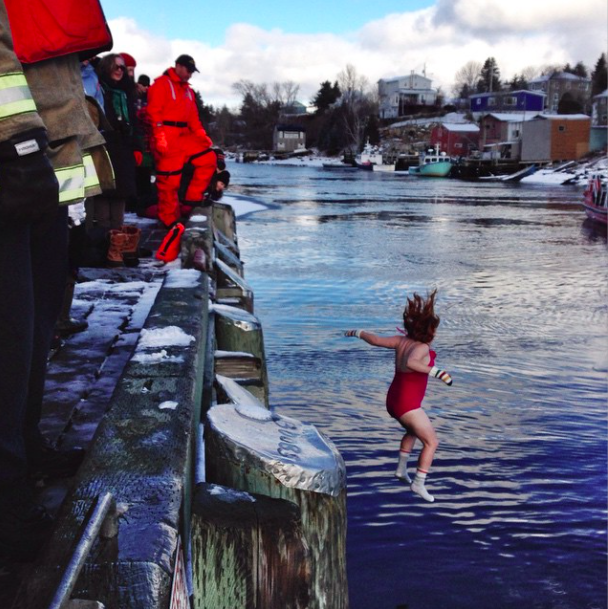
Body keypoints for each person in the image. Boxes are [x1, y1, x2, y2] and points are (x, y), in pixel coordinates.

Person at [0, 0, 109, 561]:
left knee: (36, 321)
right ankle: (7, 493)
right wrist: (17, 144)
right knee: (10, 335)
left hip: (45, 150)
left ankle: (25, 447)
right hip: (15, 154)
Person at [344, 290, 453, 503]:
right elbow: (412, 363)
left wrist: (357, 332)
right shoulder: (421, 348)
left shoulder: (401, 341)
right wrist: (438, 373)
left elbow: (375, 340)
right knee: (431, 442)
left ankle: (401, 470)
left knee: (412, 431)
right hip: (408, 404)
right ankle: (419, 483)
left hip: (393, 400)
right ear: (428, 331)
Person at [146, 54, 216, 227]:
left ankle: (192, 200)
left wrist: (201, 135)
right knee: (169, 181)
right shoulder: (161, 85)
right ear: (177, 66)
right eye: (188, 70)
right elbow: (154, 113)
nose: (190, 74)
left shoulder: (188, 91)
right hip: (167, 135)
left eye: (192, 72)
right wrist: (160, 137)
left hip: (184, 136)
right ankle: (169, 220)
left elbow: (193, 119)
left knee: (208, 158)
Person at [89, 53, 141, 265]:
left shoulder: (126, 93)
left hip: (124, 147)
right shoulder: (99, 89)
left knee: (121, 195)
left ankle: (119, 244)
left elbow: (134, 122)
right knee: (104, 194)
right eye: (116, 66)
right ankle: (105, 246)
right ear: (107, 67)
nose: (120, 70)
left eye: (122, 67)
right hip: (104, 143)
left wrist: (138, 147)